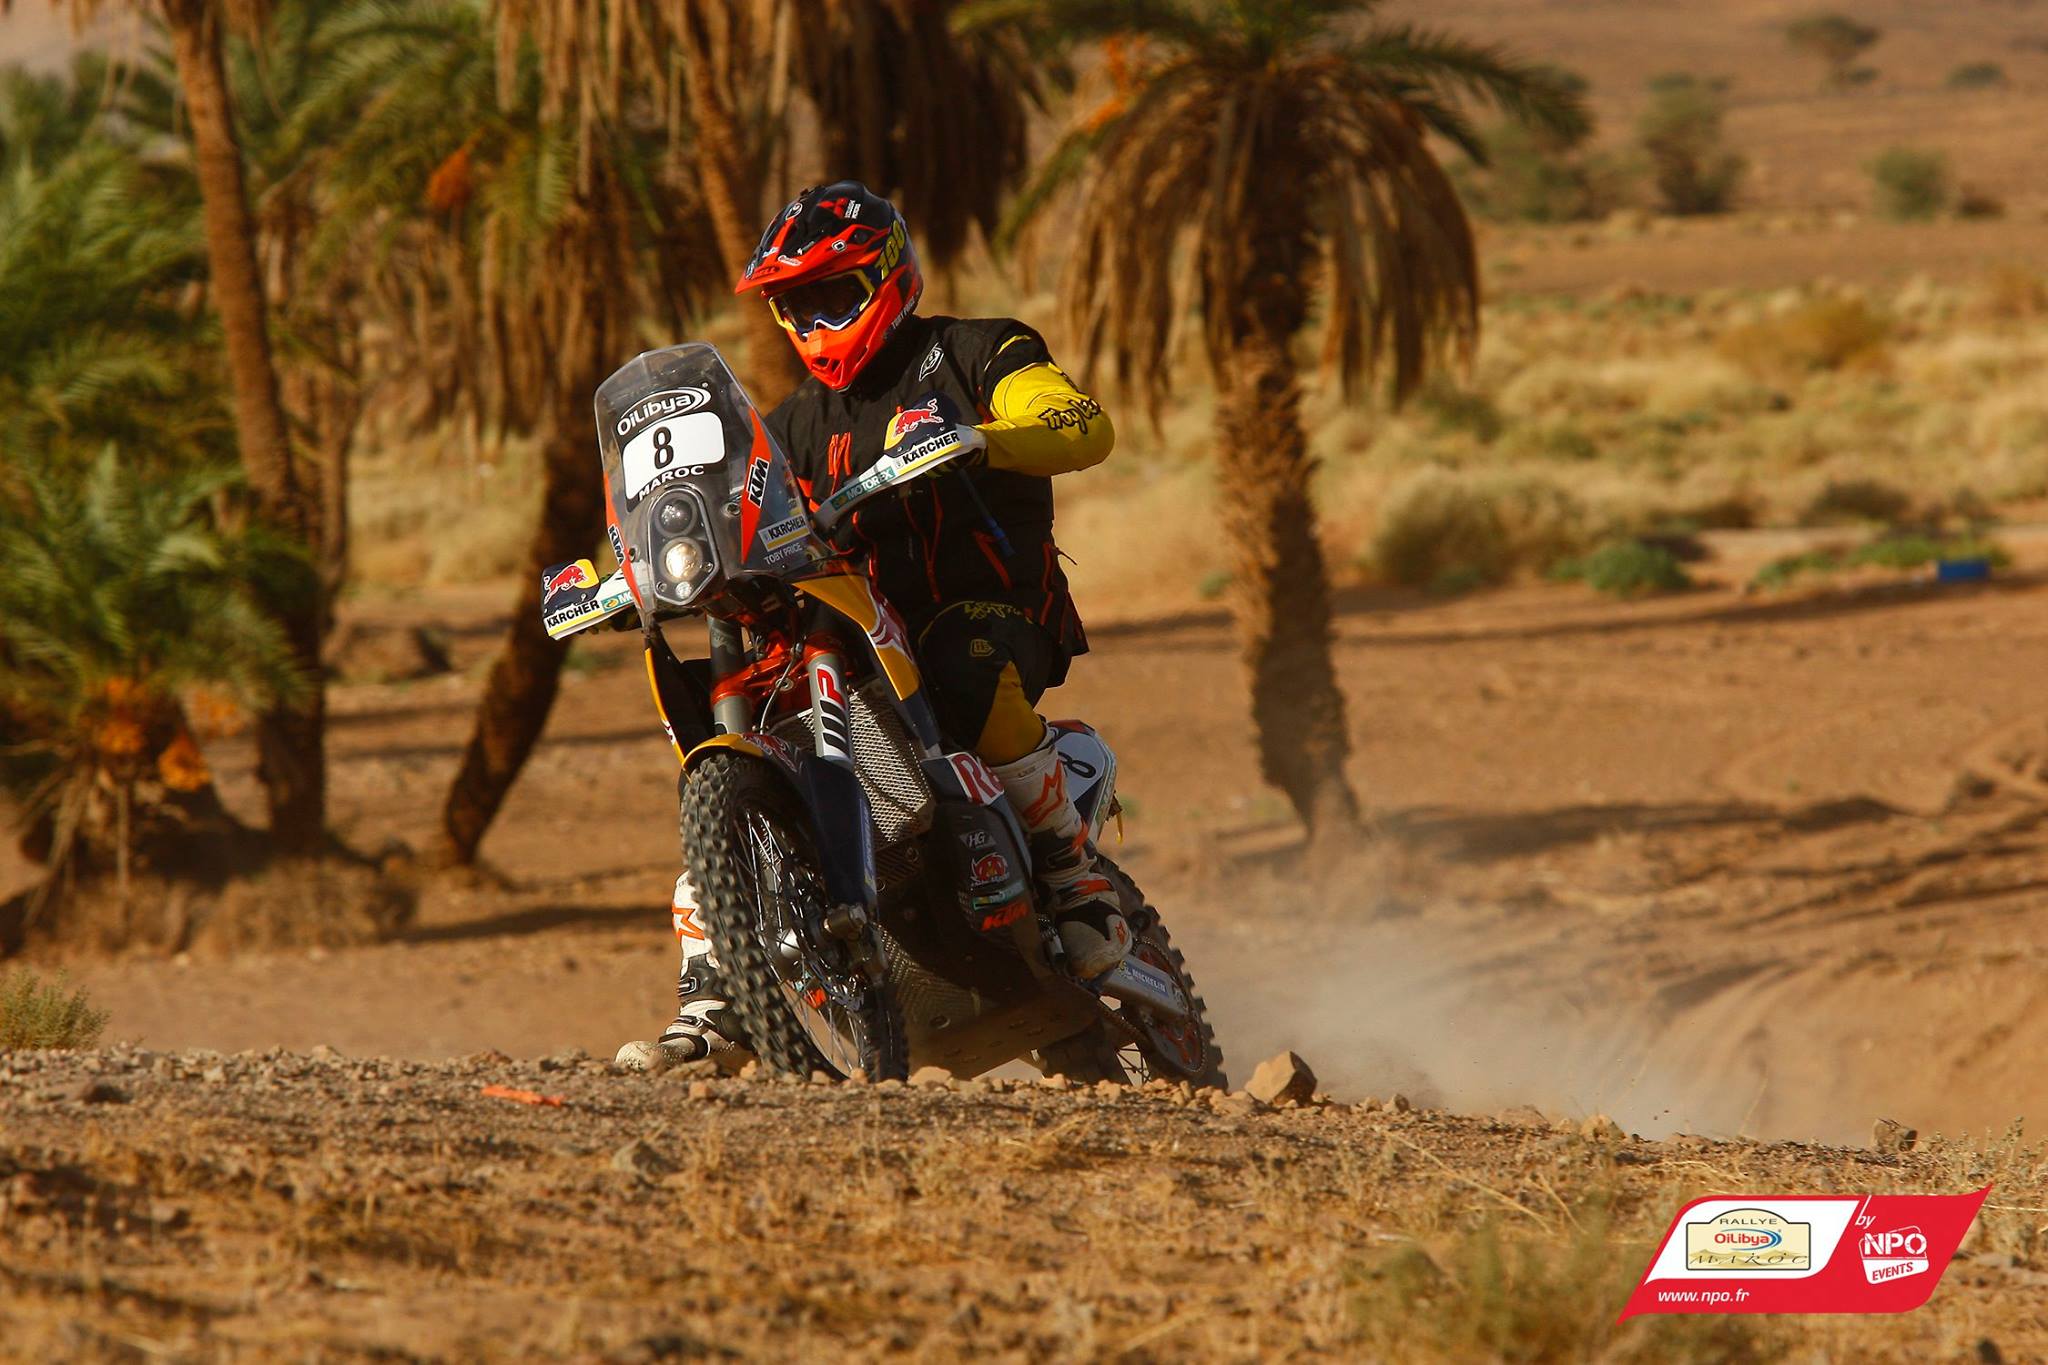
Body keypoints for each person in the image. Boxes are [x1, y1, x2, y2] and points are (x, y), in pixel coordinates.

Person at [617, 182, 1128, 1073]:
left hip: (984, 605)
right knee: (748, 709)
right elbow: (715, 514)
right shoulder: (784, 428)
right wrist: (634, 563)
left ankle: (1071, 874)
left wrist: (986, 437)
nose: (816, 322)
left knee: (963, 660)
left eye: (834, 295)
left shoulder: (978, 351)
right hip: (851, 630)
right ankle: (715, 989)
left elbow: (1080, 424)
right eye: (796, 305)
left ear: (890, 277)